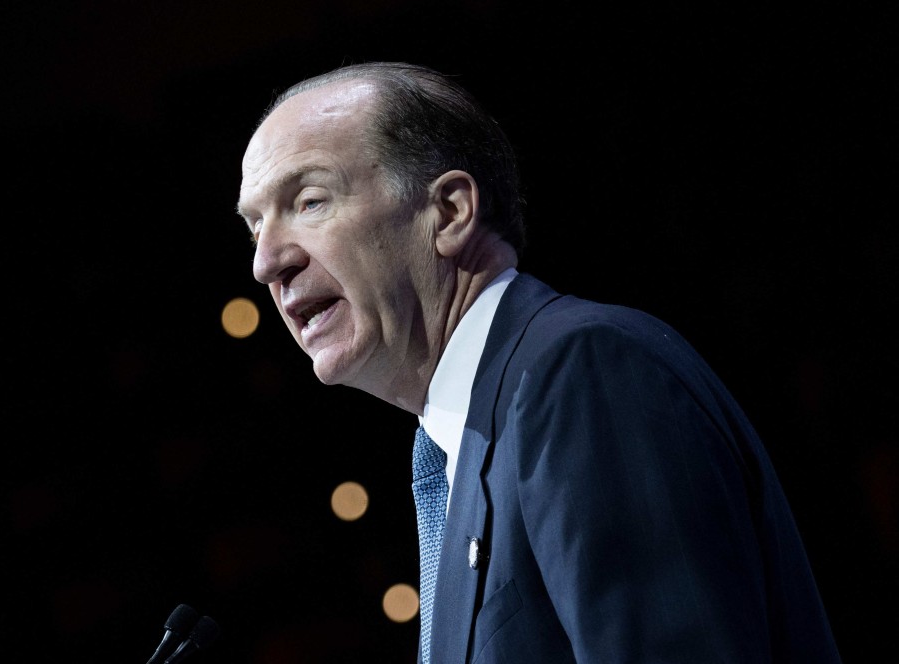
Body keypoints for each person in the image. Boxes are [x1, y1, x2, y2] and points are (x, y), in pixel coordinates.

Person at [236, 61, 841, 663]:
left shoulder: (581, 373)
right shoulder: (469, 445)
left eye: (309, 202)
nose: (266, 264)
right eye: (255, 228)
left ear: (449, 213)